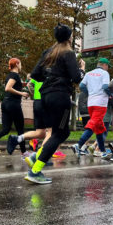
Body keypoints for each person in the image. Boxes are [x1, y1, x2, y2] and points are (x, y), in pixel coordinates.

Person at [26, 23, 85, 184]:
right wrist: (82, 69)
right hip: (60, 96)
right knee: (61, 133)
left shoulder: (48, 53)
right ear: (69, 37)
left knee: (57, 132)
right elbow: (76, 78)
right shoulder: (68, 53)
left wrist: (50, 77)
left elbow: (36, 74)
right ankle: (35, 170)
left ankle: (36, 157)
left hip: (45, 95)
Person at [71, 58, 111, 159]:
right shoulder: (104, 73)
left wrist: (90, 93)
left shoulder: (89, 73)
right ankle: (79, 144)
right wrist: (111, 95)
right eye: (108, 66)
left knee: (99, 128)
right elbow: (106, 86)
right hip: (101, 103)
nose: (108, 68)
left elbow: (81, 86)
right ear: (104, 65)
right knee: (93, 125)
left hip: (91, 103)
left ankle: (102, 151)